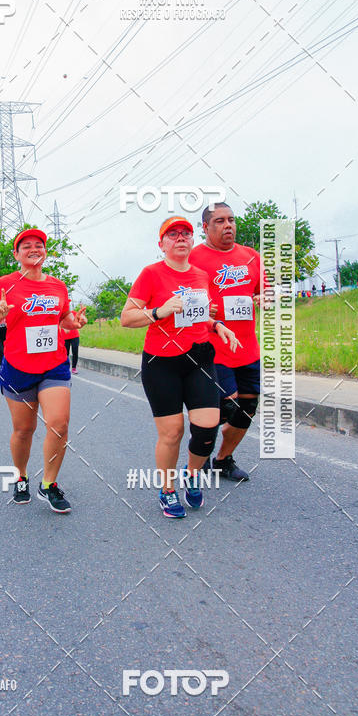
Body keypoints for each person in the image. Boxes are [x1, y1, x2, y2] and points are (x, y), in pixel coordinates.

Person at [121, 217, 239, 518]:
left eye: (185, 233)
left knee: (207, 429)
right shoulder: (151, 274)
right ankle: (167, 489)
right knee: (172, 432)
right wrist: (160, 311)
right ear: (161, 244)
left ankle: (192, 473)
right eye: (172, 235)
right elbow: (127, 318)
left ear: (192, 240)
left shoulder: (200, 275)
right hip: (161, 363)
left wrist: (218, 325)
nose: (180, 238)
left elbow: (198, 315)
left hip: (198, 358)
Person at [0, 228, 87, 514]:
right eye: (26, 246)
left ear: (45, 252)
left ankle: (49, 484)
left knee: (59, 424)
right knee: (24, 429)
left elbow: (63, 319)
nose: (33, 249)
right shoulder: (5, 284)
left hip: (54, 365)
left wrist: (73, 323)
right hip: (17, 366)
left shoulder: (58, 286)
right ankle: (21, 476)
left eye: (38, 245)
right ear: (17, 254)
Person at [190, 202, 265, 482]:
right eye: (220, 221)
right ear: (206, 227)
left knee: (247, 409)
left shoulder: (251, 257)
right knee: (226, 406)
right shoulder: (195, 258)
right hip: (212, 347)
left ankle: (223, 459)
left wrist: (263, 299)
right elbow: (181, 295)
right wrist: (200, 306)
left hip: (247, 349)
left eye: (231, 220)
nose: (228, 225)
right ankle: (200, 450)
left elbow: (266, 293)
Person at [62, 300, 80, 374]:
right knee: (66, 353)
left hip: (75, 336)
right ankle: (66, 368)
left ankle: (74, 368)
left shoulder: (74, 313)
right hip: (64, 337)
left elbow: (78, 322)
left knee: (75, 352)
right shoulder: (60, 315)